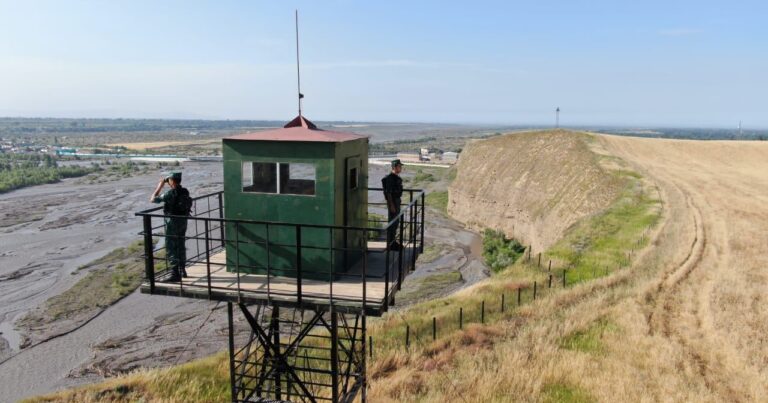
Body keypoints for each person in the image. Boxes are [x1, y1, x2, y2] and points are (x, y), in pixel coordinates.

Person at [150, 171, 191, 282]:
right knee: (181, 243)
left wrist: (159, 186)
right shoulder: (185, 191)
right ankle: (183, 270)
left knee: (171, 246)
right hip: (183, 221)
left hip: (172, 222)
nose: (168, 183)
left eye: (169, 181)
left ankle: (175, 273)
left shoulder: (169, 193)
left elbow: (153, 199)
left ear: (172, 181)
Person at [381, 159, 404, 250]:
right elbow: (389, 193)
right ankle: (390, 244)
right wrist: (391, 205)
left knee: (395, 222)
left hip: (396, 201)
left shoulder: (395, 177)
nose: (401, 168)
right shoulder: (390, 178)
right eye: (399, 166)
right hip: (393, 202)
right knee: (393, 223)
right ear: (394, 167)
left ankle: (392, 242)